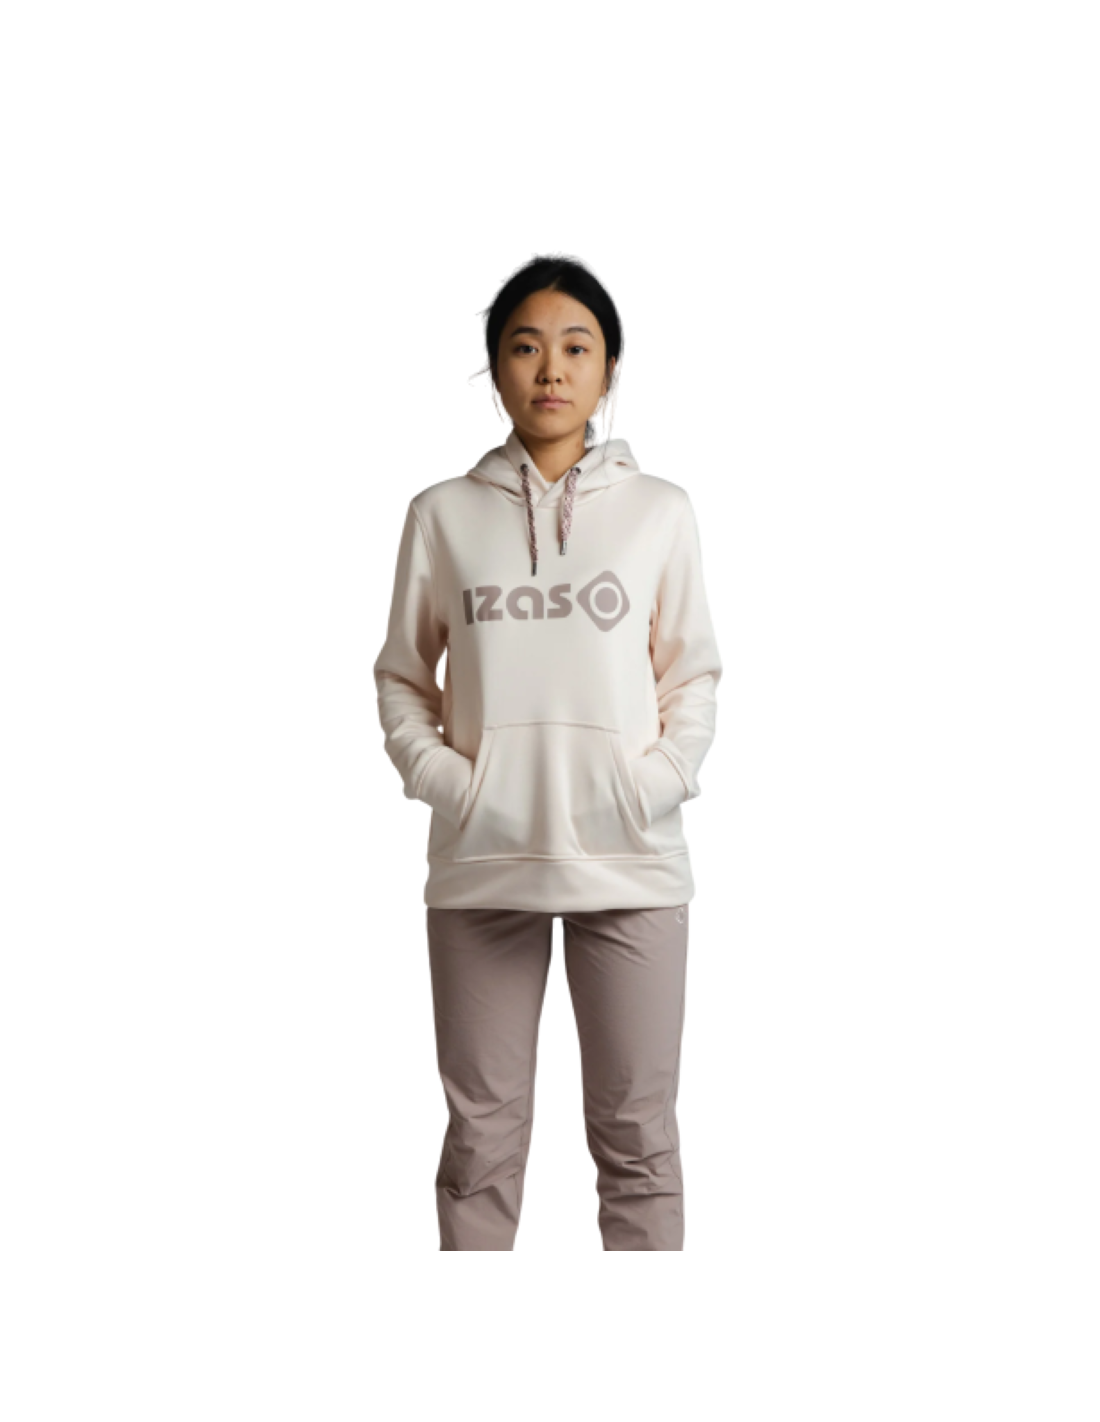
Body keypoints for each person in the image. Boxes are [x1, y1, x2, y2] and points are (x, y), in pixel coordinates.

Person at [372, 254, 723, 1250]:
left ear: (608, 370)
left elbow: (691, 676)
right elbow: (402, 675)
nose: (551, 369)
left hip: (630, 861)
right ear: (496, 371)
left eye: (577, 347)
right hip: (484, 863)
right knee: (480, 1145)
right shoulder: (440, 515)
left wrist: (652, 784)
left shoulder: (660, 511)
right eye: (525, 347)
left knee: (638, 1142)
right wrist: (453, 784)